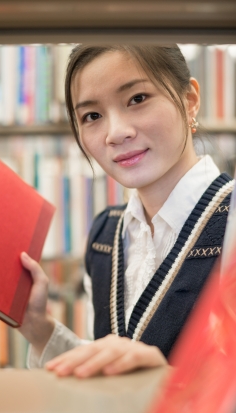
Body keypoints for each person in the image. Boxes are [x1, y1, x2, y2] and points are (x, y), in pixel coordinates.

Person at [18, 44, 234, 378]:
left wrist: (165, 379)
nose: (116, 133)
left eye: (137, 99)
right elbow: (110, 373)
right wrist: (40, 329)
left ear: (189, 100)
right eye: (92, 116)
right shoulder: (106, 234)